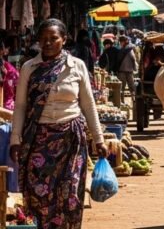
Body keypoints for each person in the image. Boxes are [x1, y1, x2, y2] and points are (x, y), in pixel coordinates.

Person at [10, 18, 103, 229]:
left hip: (71, 139)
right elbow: (21, 106)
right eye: (43, 39)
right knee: (39, 196)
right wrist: (15, 139)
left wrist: (99, 139)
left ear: (64, 39)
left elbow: (88, 105)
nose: (48, 43)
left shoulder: (76, 66)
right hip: (38, 140)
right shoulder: (29, 68)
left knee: (70, 194)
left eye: (53, 38)